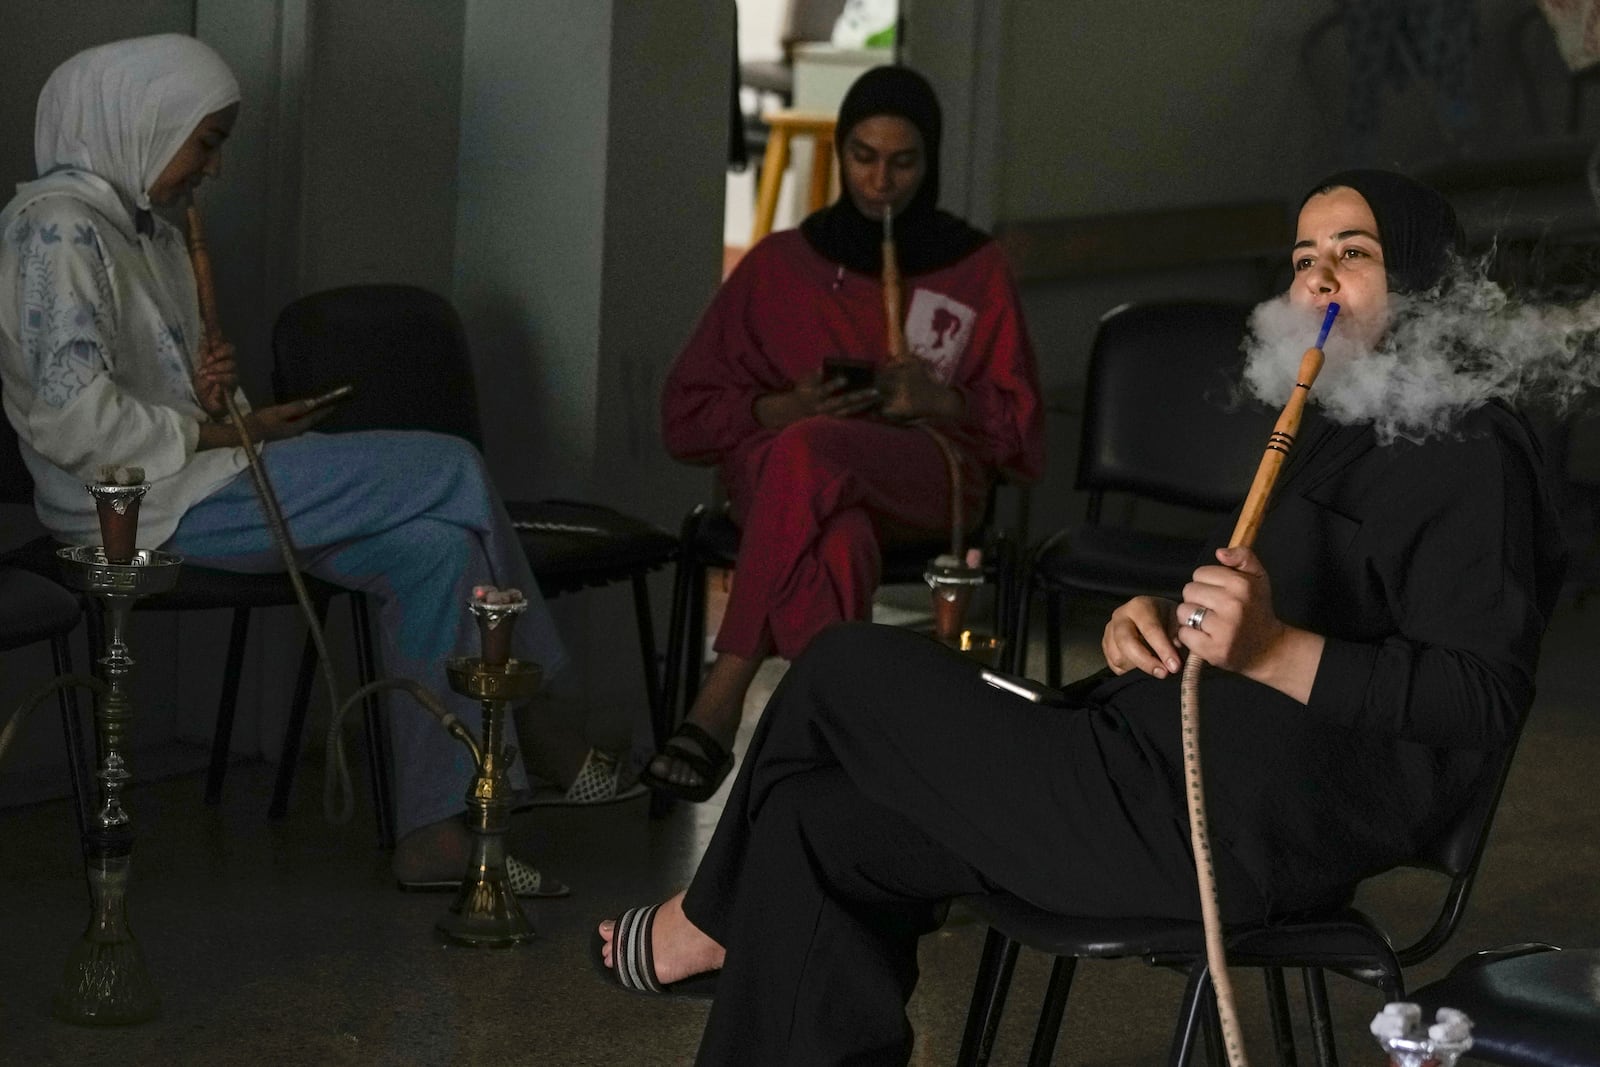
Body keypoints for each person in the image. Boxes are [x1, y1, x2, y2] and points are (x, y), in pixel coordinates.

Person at [594, 168, 1568, 1063]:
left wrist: (1271, 650)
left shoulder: (1468, 451)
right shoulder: (1343, 423)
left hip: (1221, 834)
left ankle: (706, 916)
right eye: (1304, 257)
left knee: (847, 664)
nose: (1318, 278)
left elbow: (1477, 697)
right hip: (1140, 769)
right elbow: (1264, 601)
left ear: (1426, 282)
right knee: (818, 823)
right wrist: (1154, 617)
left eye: (1352, 254)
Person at [0, 35, 617, 899]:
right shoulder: (57, 227)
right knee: (452, 467)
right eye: (205, 141)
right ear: (141, 123)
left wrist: (232, 409)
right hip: (133, 506)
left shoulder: (152, 230)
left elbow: (176, 406)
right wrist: (226, 435)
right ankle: (542, 716)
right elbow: (78, 424)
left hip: (200, 480)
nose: (211, 170)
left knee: (439, 548)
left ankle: (436, 832)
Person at [646, 65, 1044, 801]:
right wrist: (778, 407)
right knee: (839, 537)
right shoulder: (780, 264)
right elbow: (684, 416)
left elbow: (1024, 441)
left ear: (932, 161)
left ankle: (722, 690)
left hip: (923, 478)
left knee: (807, 452)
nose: (881, 180)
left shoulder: (974, 266)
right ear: (838, 153)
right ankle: (828, 772)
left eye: (903, 161)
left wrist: (943, 398)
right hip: (802, 495)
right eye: (863, 156)